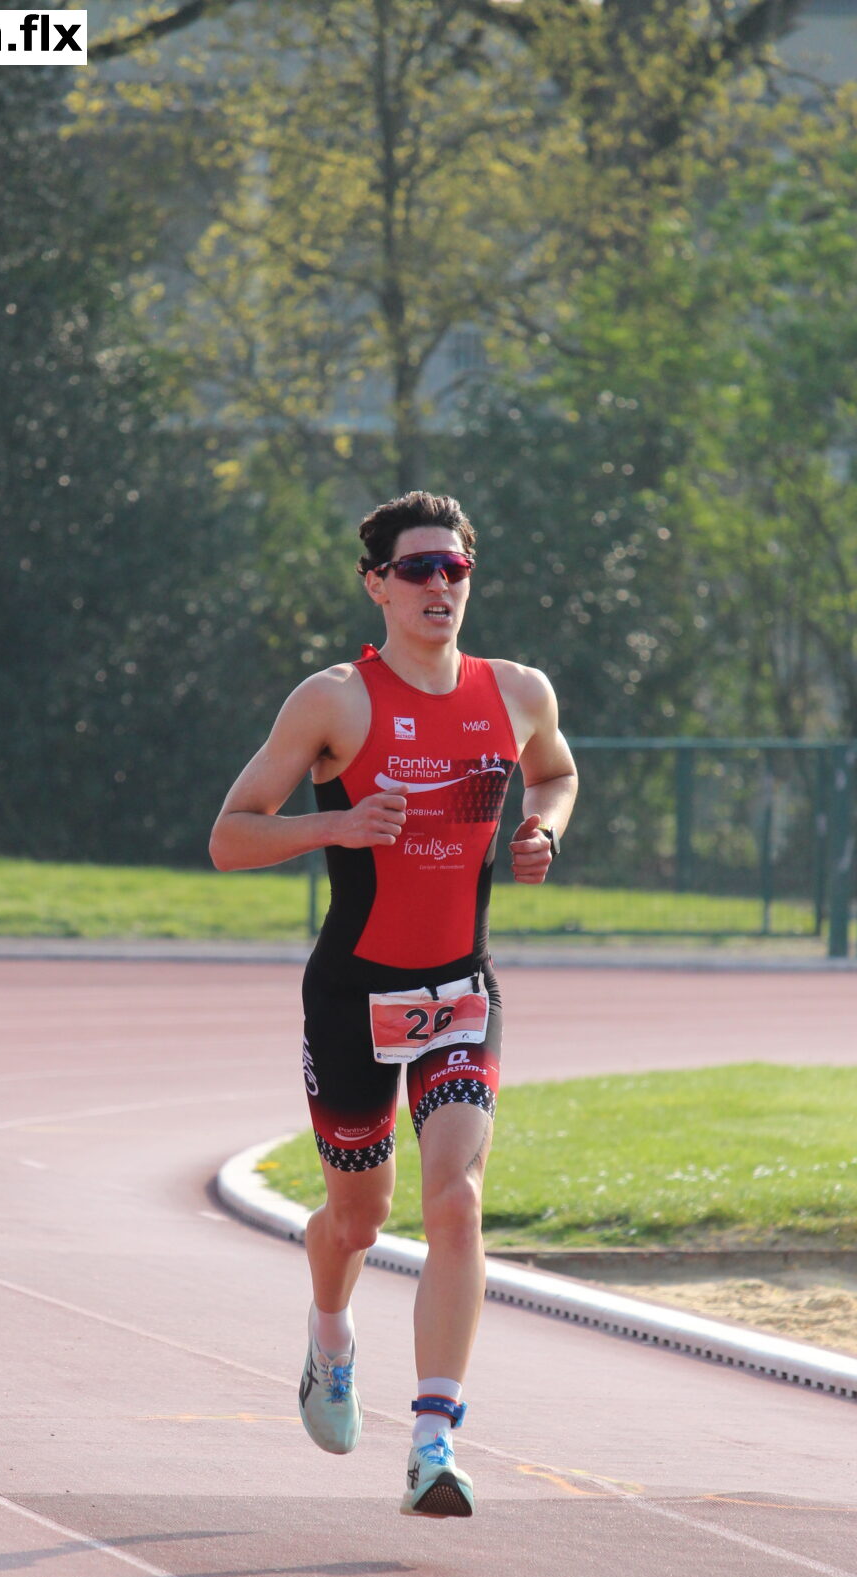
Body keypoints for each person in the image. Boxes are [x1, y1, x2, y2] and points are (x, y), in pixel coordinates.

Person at [210, 491, 577, 1517]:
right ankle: (330, 1336)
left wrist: (544, 829)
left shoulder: (517, 692)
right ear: (377, 584)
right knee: (358, 1216)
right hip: (354, 992)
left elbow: (554, 773)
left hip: (461, 988)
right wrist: (334, 827)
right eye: (417, 569)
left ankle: (432, 1441)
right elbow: (230, 836)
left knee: (455, 1198)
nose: (438, 585)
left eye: (454, 568)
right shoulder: (333, 701)